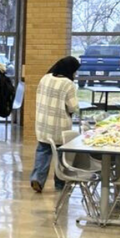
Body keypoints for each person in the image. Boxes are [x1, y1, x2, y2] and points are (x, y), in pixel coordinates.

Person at [30, 56, 80, 194]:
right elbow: (73, 107)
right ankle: (60, 183)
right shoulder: (68, 84)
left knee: (43, 151)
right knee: (61, 155)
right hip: (60, 126)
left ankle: (37, 179)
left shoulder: (45, 78)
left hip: (42, 123)